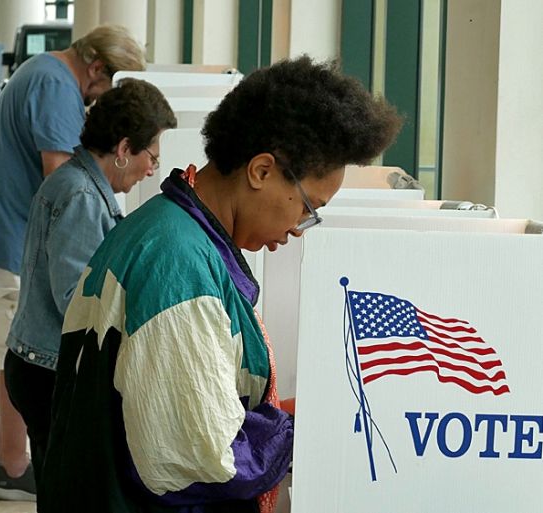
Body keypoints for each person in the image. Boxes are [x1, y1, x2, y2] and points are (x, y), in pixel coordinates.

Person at [39, 56, 402, 513]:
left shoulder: (169, 229)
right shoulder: (178, 264)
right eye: (308, 207)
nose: (299, 227)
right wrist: (304, 428)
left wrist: (282, 416)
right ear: (261, 171)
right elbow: (206, 458)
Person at [0, 25, 145, 501]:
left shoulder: (45, 70)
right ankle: (12, 468)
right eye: (110, 86)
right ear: (96, 68)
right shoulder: (57, 87)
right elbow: (64, 181)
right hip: (2, 231)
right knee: (20, 352)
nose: (104, 101)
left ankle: (9, 463)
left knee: (15, 351)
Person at [3, 78, 177, 505]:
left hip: (38, 364)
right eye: (152, 157)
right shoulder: (81, 195)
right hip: (47, 370)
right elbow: (77, 302)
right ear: (124, 148)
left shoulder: (78, 184)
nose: (152, 170)